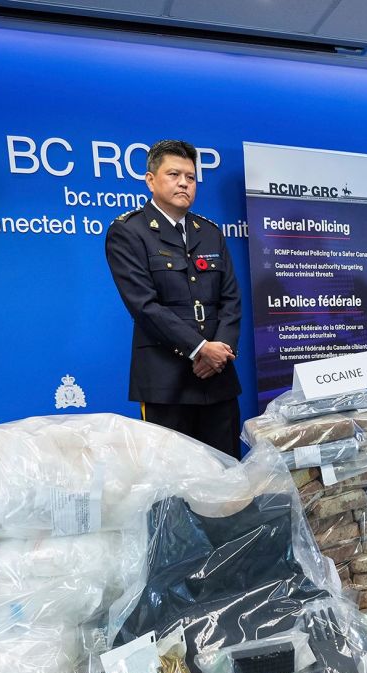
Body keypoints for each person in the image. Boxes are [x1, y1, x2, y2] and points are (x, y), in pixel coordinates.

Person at [107, 139, 242, 457]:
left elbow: (231, 300)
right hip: (166, 381)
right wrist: (200, 349)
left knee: (227, 478)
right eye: (174, 174)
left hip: (217, 379)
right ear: (151, 180)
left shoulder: (209, 232)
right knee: (172, 485)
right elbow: (144, 305)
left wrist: (218, 353)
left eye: (191, 177)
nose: (184, 182)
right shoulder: (128, 231)